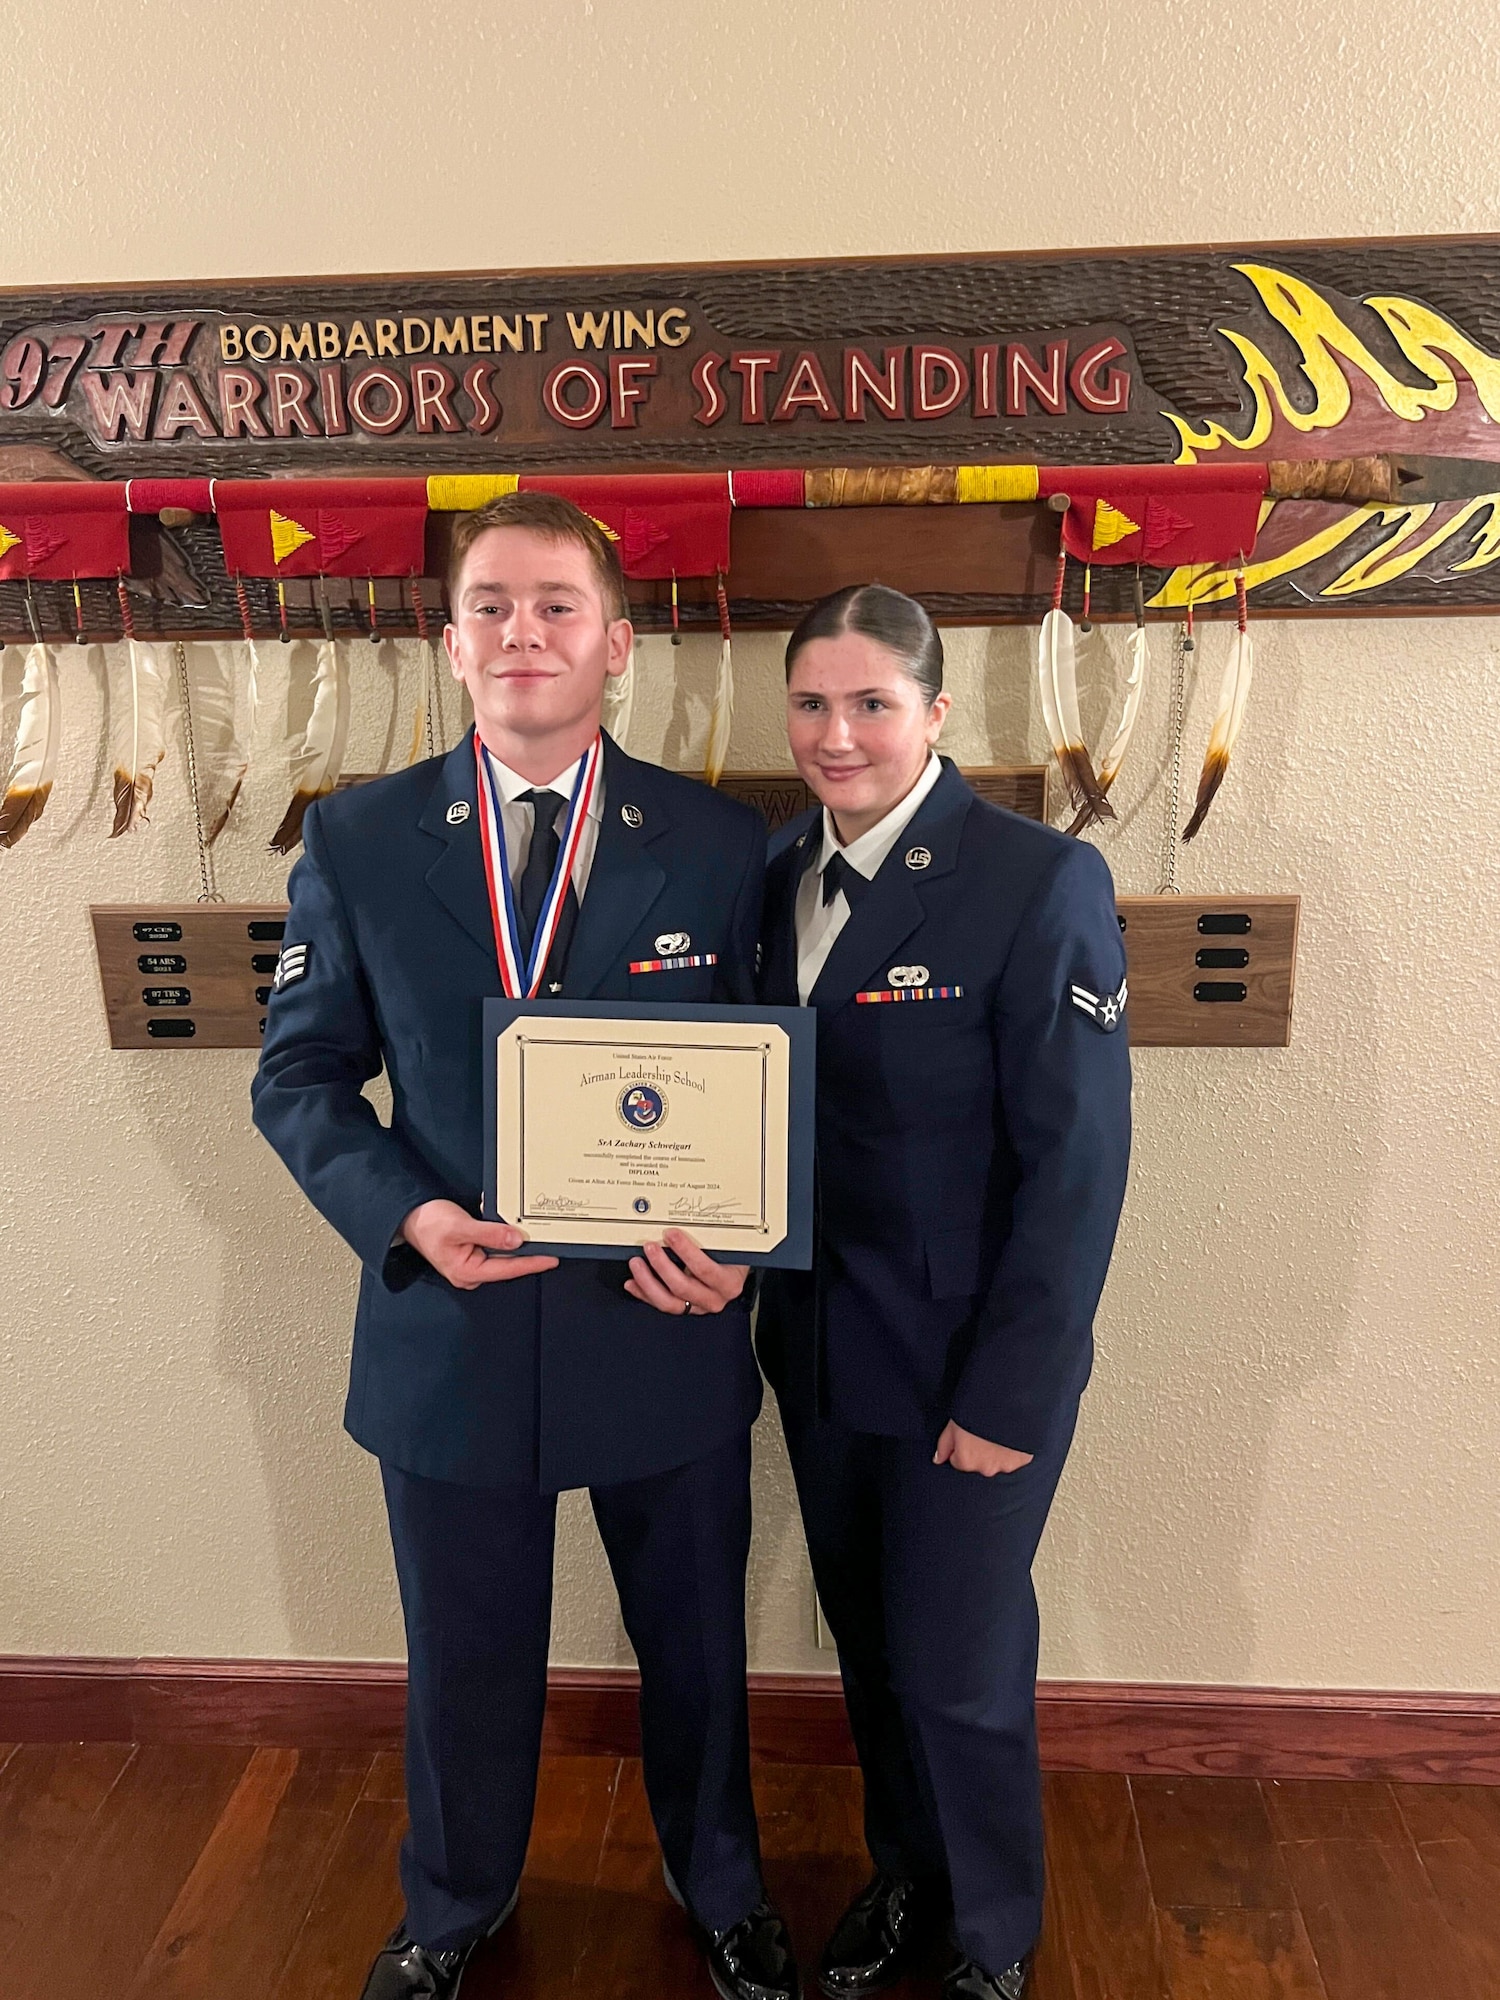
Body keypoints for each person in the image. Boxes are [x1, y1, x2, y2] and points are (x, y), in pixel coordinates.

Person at [252, 492, 800, 2000]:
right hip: (452, 1326)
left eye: (557, 604)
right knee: (464, 1654)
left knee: (694, 1643)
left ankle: (725, 1887)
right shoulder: (357, 840)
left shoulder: (714, 840)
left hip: (661, 1316)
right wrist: (405, 1215)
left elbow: (780, 1076)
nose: (523, 631)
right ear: (449, 642)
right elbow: (296, 1077)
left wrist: (749, 1246)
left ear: (618, 645)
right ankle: (453, 1905)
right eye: (490, 604)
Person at [756, 585, 1132, 2000]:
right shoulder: (776, 868)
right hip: (818, 1347)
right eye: (811, 703)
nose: (836, 733)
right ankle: (908, 1877)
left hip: (970, 1363)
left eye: (869, 703)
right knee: (867, 1643)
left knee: (960, 1662)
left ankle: (993, 1938)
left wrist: (1014, 1388)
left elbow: (1077, 1167)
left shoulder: (1037, 881)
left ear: (934, 713)